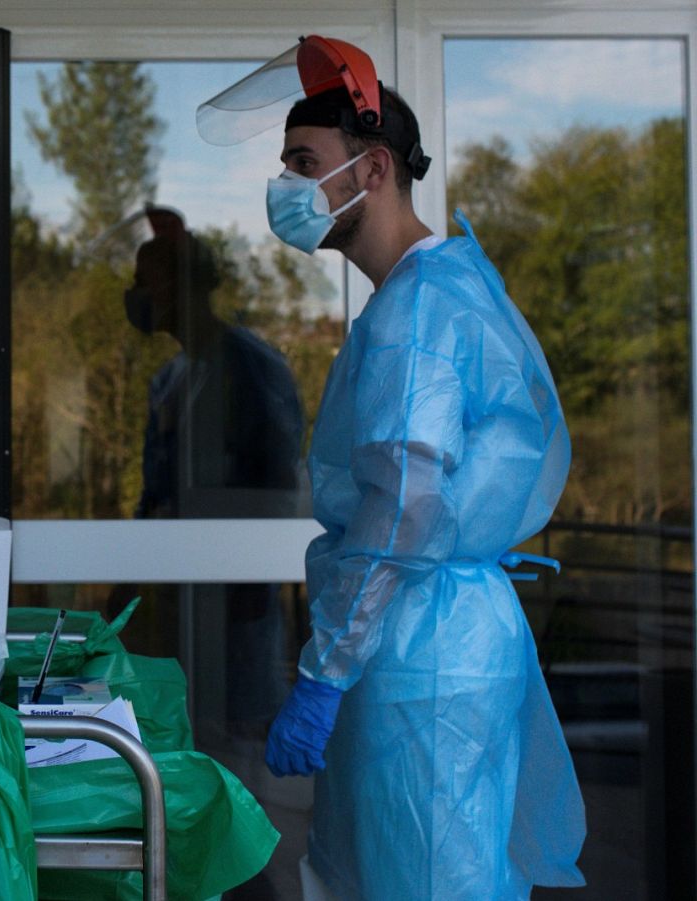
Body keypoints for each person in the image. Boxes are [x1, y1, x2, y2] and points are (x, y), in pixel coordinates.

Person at [198, 36, 586, 898]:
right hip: (438, 634)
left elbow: (403, 504)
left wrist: (325, 670)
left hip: (422, 654)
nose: (286, 187)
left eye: (305, 162)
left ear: (372, 170)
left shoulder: (416, 313)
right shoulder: (437, 289)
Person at [123, 208, 302, 734]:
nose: (136, 294)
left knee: (237, 744)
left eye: (144, 280)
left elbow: (274, 483)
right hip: (180, 594)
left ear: (181, 282)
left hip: (235, 600)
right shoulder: (171, 379)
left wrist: (245, 581)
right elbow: (156, 490)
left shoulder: (250, 368)